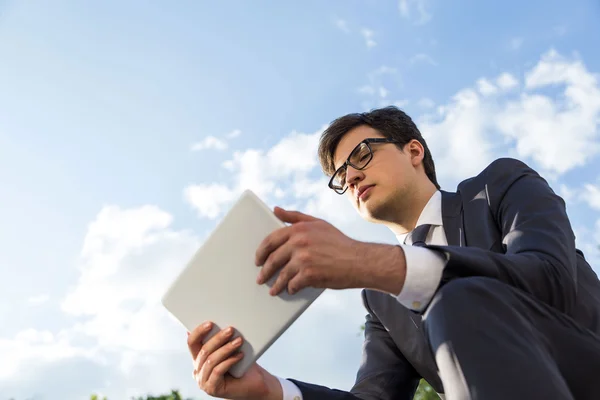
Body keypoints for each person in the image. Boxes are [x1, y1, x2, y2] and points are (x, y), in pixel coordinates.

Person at [186, 106, 600, 400]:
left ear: (414, 151)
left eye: (361, 154)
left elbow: (551, 281)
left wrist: (369, 261)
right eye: (339, 175)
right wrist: (270, 390)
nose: (350, 176)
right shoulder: (381, 298)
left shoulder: (499, 187)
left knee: (457, 297)